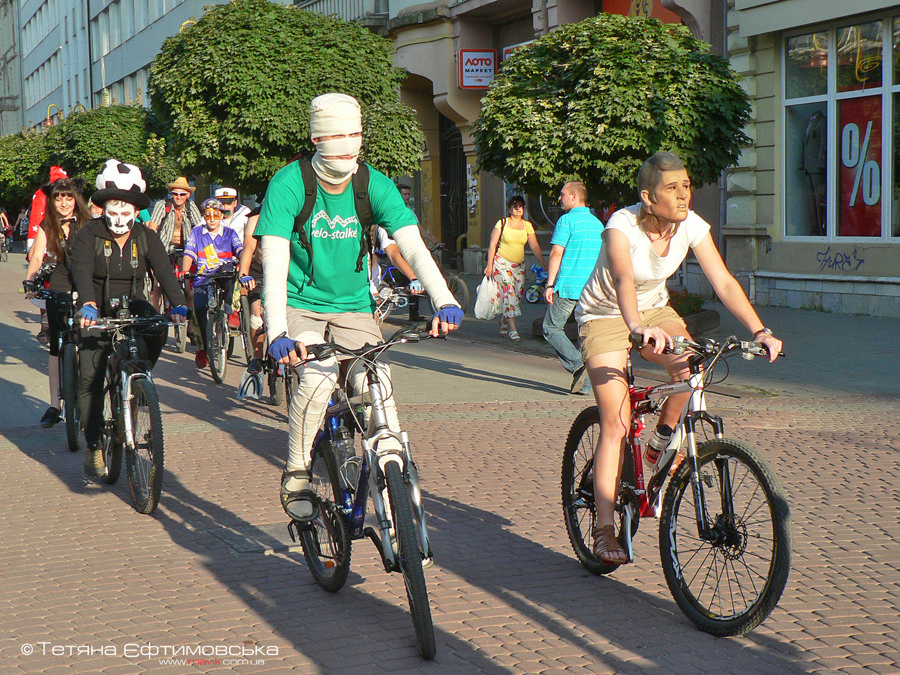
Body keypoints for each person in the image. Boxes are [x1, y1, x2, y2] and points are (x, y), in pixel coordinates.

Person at [255, 92, 462, 521]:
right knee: (318, 377)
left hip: (354, 307)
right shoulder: (289, 184)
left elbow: (413, 246)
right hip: (301, 303)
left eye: (355, 136)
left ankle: (393, 483)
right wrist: (277, 332)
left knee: (377, 383)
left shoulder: (372, 185)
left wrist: (444, 297)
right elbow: (273, 262)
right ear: (316, 139)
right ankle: (297, 470)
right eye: (337, 139)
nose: (348, 148)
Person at [575, 151, 783, 566]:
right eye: (672, 188)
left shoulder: (690, 225)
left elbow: (723, 281)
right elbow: (623, 279)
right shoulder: (621, 226)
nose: (684, 194)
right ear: (648, 197)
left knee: (692, 370)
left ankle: (658, 446)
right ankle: (603, 529)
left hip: (655, 311)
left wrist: (759, 330)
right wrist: (636, 327)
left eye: (686, 185)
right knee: (616, 423)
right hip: (605, 315)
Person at [71, 160, 187, 477]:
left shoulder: (146, 236)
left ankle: (139, 379)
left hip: (133, 303)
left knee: (158, 325)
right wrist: (88, 304)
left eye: (127, 212)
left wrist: (178, 303)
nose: (120, 218)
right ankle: (94, 443)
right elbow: (81, 271)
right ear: (104, 209)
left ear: (136, 211)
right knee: (90, 377)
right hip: (96, 308)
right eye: (114, 211)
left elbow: (164, 272)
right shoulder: (88, 234)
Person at [23, 178, 92, 428]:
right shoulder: (48, 225)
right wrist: (30, 281)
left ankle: (91, 395)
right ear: (52, 201)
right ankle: (54, 405)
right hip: (61, 278)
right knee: (56, 344)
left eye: (68, 198)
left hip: (86, 279)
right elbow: (37, 256)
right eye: (58, 198)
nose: (63, 203)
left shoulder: (88, 223)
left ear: (76, 199)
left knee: (90, 340)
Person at [542, 181, 604, 396]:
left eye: (563, 194)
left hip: (568, 286)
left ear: (574, 196)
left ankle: (578, 364)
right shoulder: (597, 224)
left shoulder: (566, 220)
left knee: (551, 328)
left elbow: (556, 253)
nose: (560, 198)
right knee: (584, 336)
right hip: (592, 290)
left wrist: (550, 284)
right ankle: (586, 386)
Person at [182, 198, 243, 369]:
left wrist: (243, 262)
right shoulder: (197, 232)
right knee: (199, 309)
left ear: (222, 216)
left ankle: (231, 309)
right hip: (203, 277)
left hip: (224, 275)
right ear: (204, 216)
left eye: (216, 215)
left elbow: (240, 250)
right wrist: (185, 271)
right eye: (208, 215)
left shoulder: (230, 233)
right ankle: (203, 347)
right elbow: (189, 253)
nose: (212, 219)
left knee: (230, 274)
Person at [483, 195, 546, 341]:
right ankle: (513, 330)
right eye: (515, 206)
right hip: (502, 263)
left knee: (517, 295)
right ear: (509, 209)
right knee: (509, 294)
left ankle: (504, 320)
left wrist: (542, 260)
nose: (518, 209)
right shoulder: (502, 223)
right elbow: (493, 245)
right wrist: (489, 265)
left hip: (519, 266)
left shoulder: (527, 225)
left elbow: (534, 245)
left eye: (521, 206)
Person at [26, 166, 69, 261]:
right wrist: (34, 241)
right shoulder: (41, 195)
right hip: (48, 236)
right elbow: (37, 218)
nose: (64, 204)